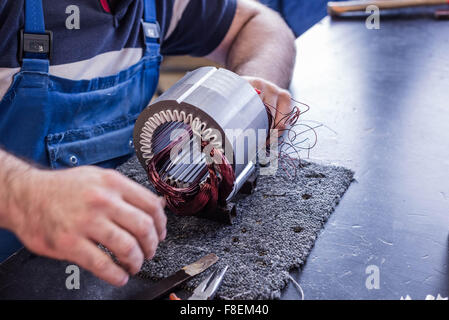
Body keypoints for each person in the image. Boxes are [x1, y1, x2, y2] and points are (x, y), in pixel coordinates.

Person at [0, 0, 295, 286]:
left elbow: (258, 22)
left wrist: (248, 93)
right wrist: (25, 193)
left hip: (107, 261)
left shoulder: (155, 5)